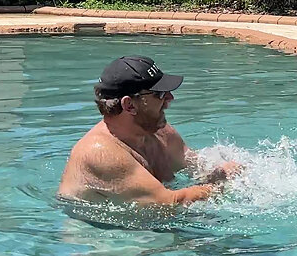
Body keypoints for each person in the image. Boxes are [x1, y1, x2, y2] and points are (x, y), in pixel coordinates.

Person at [57, 55, 243, 206]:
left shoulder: (159, 132)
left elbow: (195, 166)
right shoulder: (101, 153)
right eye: (160, 94)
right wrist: (219, 185)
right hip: (102, 238)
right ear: (129, 105)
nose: (170, 98)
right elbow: (169, 204)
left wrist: (225, 171)